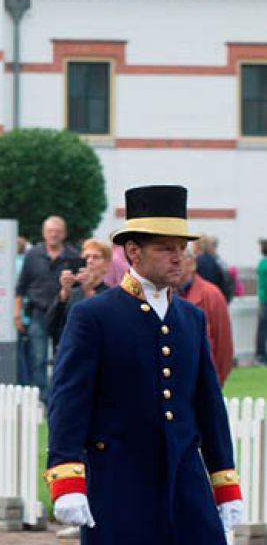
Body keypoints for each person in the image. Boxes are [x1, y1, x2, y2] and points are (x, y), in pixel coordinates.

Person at [45, 185, 244, 543]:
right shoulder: (94, 316)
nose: (177, 257)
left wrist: (224, 479)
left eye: (181, 248)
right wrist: (66, 476)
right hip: (120, 482)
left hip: (185, 482)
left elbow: (208, 405)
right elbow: (69, 400)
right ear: (133, 251)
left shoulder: (191, 318)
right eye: (165, 248)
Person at [14, 215, 83, 396]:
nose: (54, 235)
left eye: (58, 231)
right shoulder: (33, 255)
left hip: (65, 313)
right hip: (38, 313)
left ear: (64, 234)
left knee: (63, 357)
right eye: (50, 231)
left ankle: (59, 395)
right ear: (44, 233)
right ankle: (43, 399)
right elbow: (21, 287)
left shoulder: (74, 256)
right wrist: (17, 314)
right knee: (37, 358)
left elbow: (81, 287)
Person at [175, 250, 234, 385]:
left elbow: (224, 351)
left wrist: (213, 386)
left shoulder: (212, 295)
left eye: (179, 260)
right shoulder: (163, 295)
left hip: (202, 385)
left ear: (192, 264)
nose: (174, 265)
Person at [47, 238, 110, 349]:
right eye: (86, 257)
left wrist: (88, 290)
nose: (90, 261)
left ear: (107, 264)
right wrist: (64, 292)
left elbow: (104, 326)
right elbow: (51, 324)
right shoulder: (73, 293)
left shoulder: (111, 295)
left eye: (96, 257)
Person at [193, 234, 233, 303]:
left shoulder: (197, 262)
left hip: (202, 299)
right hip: (217, 298)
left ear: (197, 245)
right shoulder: (216, 260)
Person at [256, 238, 267, 365]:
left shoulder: (262, 263)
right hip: (265, 299)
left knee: (262, 329)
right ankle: (261, 355)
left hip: (263, 299)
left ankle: (261, 355)